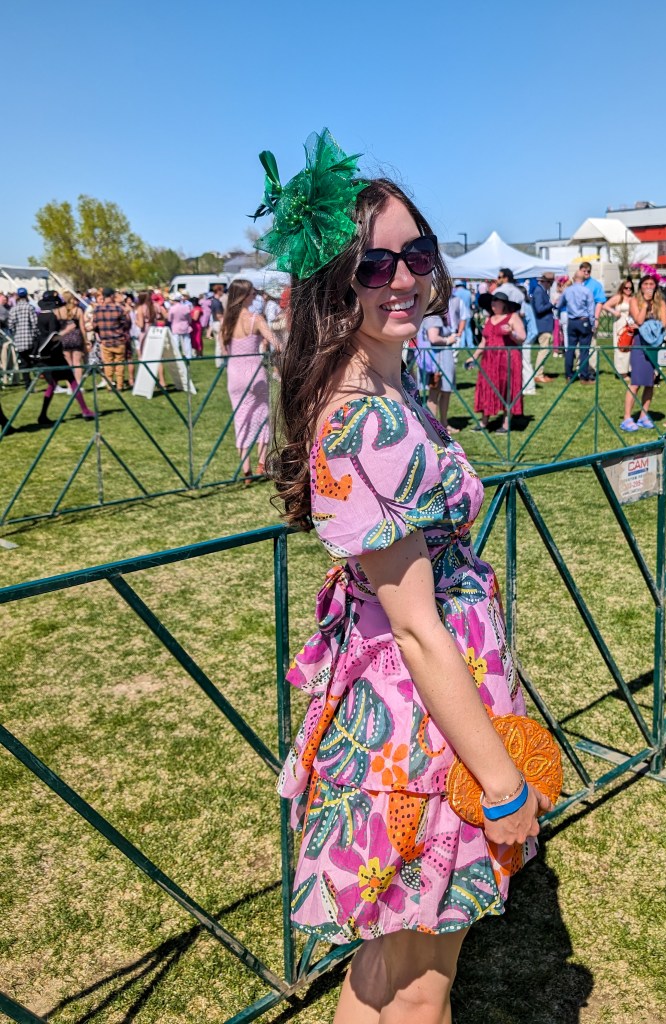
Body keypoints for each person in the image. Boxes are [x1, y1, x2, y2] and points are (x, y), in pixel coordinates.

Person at [262, 133, 550, 1024]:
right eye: (370, 264)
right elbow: (419, 629)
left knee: (387, 973)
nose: (400, 279)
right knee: (422, 986)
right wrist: (500, 782)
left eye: (414, 255)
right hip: (419, 732)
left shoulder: (389, 391)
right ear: (330, 281)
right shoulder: (361, 420)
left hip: (420, 714)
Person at [220, 278, 274, 479]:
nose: (255, 296)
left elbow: (224, 350)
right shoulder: (255, 319)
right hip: (254, 373)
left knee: (241, 417)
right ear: (244, 296)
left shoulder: (226, 322)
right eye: (252, 293)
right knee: (262, 416)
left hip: (234, 375)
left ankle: (246, 469)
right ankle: (263, 463)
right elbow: (275, 341)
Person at [465, 284, 526, 431]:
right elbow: (484, 341)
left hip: (508, 360)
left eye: (496, 301)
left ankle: (505, 423)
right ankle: (484, 422)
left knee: (507, 388)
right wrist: (473, 357)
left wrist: (511, 333)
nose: (493, 304)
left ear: (503, 304)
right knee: (487, 387)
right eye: (492, 301)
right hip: (489, 360)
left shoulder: (513, 317)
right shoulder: (489, 319)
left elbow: (522, 338)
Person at [35, 291, 94, 424]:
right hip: (54, 355)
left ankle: (43, 415)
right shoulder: (51, 317)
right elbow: (53, 337)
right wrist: (68, 330)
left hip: (46, 355)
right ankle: (85, 410)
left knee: (52, 384)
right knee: (72, 380)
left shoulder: (39, 316)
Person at [620, 275, 666, 432]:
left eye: (651, 284)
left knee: (650, 381)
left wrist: (655, 310)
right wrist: (646, 305)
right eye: (645, 284)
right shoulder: (635, 301)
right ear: (640, 286)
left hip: (655, 343)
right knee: (636, 382)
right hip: (640, 343)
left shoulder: (660, 302)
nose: (648, 287)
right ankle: (627, 417)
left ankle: (643, 415)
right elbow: (639, 321)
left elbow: (665, 322)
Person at [419, 306, 457, 431]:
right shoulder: (434, 317)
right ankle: (436, 426)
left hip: (438, 360)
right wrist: (448, 340)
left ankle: (441, 425)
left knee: (440, 392)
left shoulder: (430, 316)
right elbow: (433, 338)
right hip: (438, 361)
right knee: (436, 392)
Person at [555, 272, 595, 383]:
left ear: (573, 278)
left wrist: (558, 315)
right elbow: (591, 309)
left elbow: (559, 304)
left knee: (570, 349)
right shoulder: (587, 291)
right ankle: (584, 376)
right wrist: (593, 323)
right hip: (584, 320)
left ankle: (569, 375)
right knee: (584, 350)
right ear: (584, 280)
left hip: (571, 321)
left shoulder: (567, 290)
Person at [93, 287, 131, 390]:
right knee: (119, 364)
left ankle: (109, 385)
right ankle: (119, 385)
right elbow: (126, 324)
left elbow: (94, 326)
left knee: (108, 364)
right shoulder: (118, 309)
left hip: (105, 341)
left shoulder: (97, 309)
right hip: (119, 340)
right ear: (112, 296)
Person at [604, 279, 635, 378]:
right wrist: (614, 312)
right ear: (622, 288)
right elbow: (605, 305)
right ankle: (622, 372)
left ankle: (629, 369)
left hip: (630, 325)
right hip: (620, 324)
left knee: (630, 348)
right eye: (626, 288)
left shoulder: (633, 298)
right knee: (621, 347)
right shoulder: (618, 297)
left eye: (630, 288)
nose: (628, 290)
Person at [7, 287, 38, 383]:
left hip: (19, 340)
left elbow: (10, 325)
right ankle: (37, 378)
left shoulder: (13, 309)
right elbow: (34, 323)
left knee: (24, 363)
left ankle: (27, 384)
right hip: (30, 339)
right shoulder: (30, 307)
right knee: (33, 360)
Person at [530, 272, 556, 382]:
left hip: (544, 324)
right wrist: (552, 303)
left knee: (545, 349)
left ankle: (539, 373)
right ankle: (538, 374)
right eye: (551, 283)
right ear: (547, 282)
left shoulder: (541, 291)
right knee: (544, 350)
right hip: (542, 325)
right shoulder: (539, 291)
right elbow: (539, 308)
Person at [168, 293, 193, 360]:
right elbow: (189, 317)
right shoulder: (186, 307)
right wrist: (189, 322)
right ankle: (188, 355)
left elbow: (169, 319)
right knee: (187, 341)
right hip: (185, 326)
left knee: (175, 341)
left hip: (175, 326)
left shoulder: (172, 308)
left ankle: (176, 355)